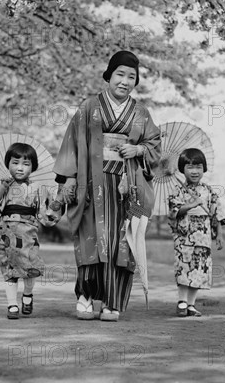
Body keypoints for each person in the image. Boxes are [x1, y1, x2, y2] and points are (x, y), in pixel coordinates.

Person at [54, 50, 161, 322]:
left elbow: (155, 148)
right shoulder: (89, 107)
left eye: (131, 77)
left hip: (126, 188)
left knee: (121, 243)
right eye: (120, 74)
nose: (125, 81)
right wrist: (68, 178)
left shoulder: (141, 113)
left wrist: (137, 150)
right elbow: (71, 144)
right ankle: (86, 297)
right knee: (91, 239)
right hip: (90, 184)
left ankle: (113, 303)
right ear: (109, 75)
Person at [0, 142, 61, 320]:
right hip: (7, 233)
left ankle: (27, 295)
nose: (20, 168)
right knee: (9, 268)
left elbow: (46, 212)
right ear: (7, 164)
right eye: (15, 162)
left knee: (30, 267)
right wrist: (3, 187)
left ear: (33, 167)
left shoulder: (39, 188)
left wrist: (56, 205)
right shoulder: (2, 185)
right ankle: (12, 304)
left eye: (26, 164)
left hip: (29, 233)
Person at [167, 148, 225, 317]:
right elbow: (173, 211)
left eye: (198, 167)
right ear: (182, 169)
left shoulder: (209, 191)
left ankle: (191, 304)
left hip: (203, 235)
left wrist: (219, 234)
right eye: (190, 167)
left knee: (199, 268)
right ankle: (182, 301)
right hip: (185, 234)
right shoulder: (177, 190)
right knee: (184, 265)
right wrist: (191, 205)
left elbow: (216, 214)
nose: (194, 171)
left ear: (204, 168)